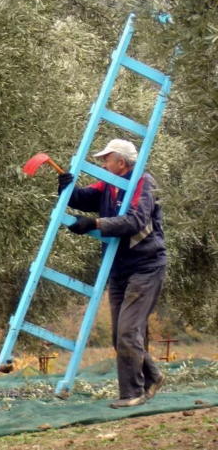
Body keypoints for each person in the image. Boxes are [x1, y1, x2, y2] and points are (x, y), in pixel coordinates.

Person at [58, 139, 167, 409]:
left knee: (128, 332)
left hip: (146, 266)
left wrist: (95, 223)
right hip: (119, 268)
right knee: (120, 334)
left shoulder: (143, 181)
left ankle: (132, 393)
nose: (102, 164)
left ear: (121, 162)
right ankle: (152, 376)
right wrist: (66, 187)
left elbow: (136, 221)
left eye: (106, 159)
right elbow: (85, 198)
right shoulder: (109, 183)